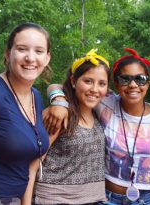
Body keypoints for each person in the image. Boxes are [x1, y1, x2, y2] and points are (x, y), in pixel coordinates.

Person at [44, 48, 150, 205]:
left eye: (140, 79)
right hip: (106, 197)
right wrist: (59, 101)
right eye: (125, 79)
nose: (133, 85)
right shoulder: (106, 103)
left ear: (148, 83)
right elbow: (59, 86)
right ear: (115, 83)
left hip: (145, 199)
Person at [0, 22, 51, 204]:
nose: (30, 58)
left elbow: (27, 164)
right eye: (22, 49)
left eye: (39, 51)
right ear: (7, 53)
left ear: (47, 58)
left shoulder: (35, 96)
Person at [26, 49, 110, 205]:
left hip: (95, 199)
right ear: (73, 81)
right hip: (56, 199)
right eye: (88, 81)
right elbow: (32, 164)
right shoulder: (59, 115)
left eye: (102, 84)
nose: (94, 89)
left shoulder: (99, 112)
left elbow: (55, 86)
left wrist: (56, 95)